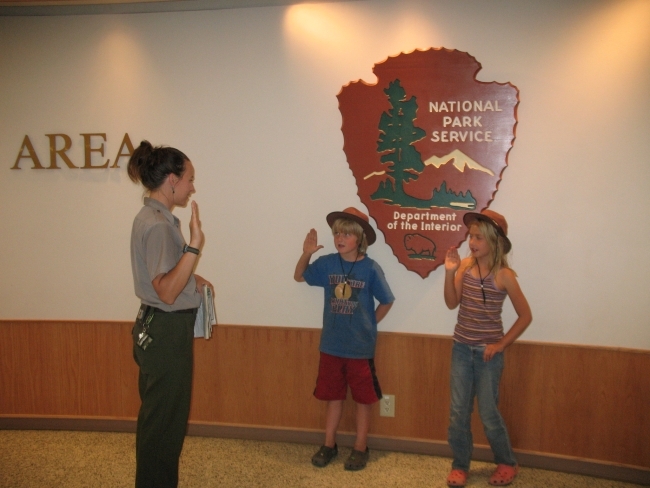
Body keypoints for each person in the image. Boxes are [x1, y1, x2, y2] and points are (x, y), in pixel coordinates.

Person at [127, 140, 213, 488]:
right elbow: (165, 289)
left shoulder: (151, 216)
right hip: (166, 332)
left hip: (154, 326)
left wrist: (192, 275)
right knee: (165, 425)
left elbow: (161, 278)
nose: (193, 186)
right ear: (172, 180)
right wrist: (194, 245)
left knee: (157, 419)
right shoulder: (161, 224)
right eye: (189, 178)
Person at [294, 207, 395, 471]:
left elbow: (387, 301)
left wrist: (370, 324)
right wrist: (307, 252)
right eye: (337, 232)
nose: (340, 238)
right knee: (333, 397)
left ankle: (361, 447)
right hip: (331, 345)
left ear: (360, 239)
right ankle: (329, 444)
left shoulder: (371, 268)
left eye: (347, 234)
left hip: (360, 348)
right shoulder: (328, 263)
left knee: (363, 400)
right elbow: (299, 276)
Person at [443, 209, 532, 487]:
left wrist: (501, 344)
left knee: (489, 412)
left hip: (488, 355)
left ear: (494, 241)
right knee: (458, 411)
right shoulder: (466, 266)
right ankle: (460, 466)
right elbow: (451, 303)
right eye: (471, 236)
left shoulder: (504, 275)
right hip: (461, 349)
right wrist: (450, 273)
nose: (472, 242)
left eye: (479, 237)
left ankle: (507, 462)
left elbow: (525, 315)